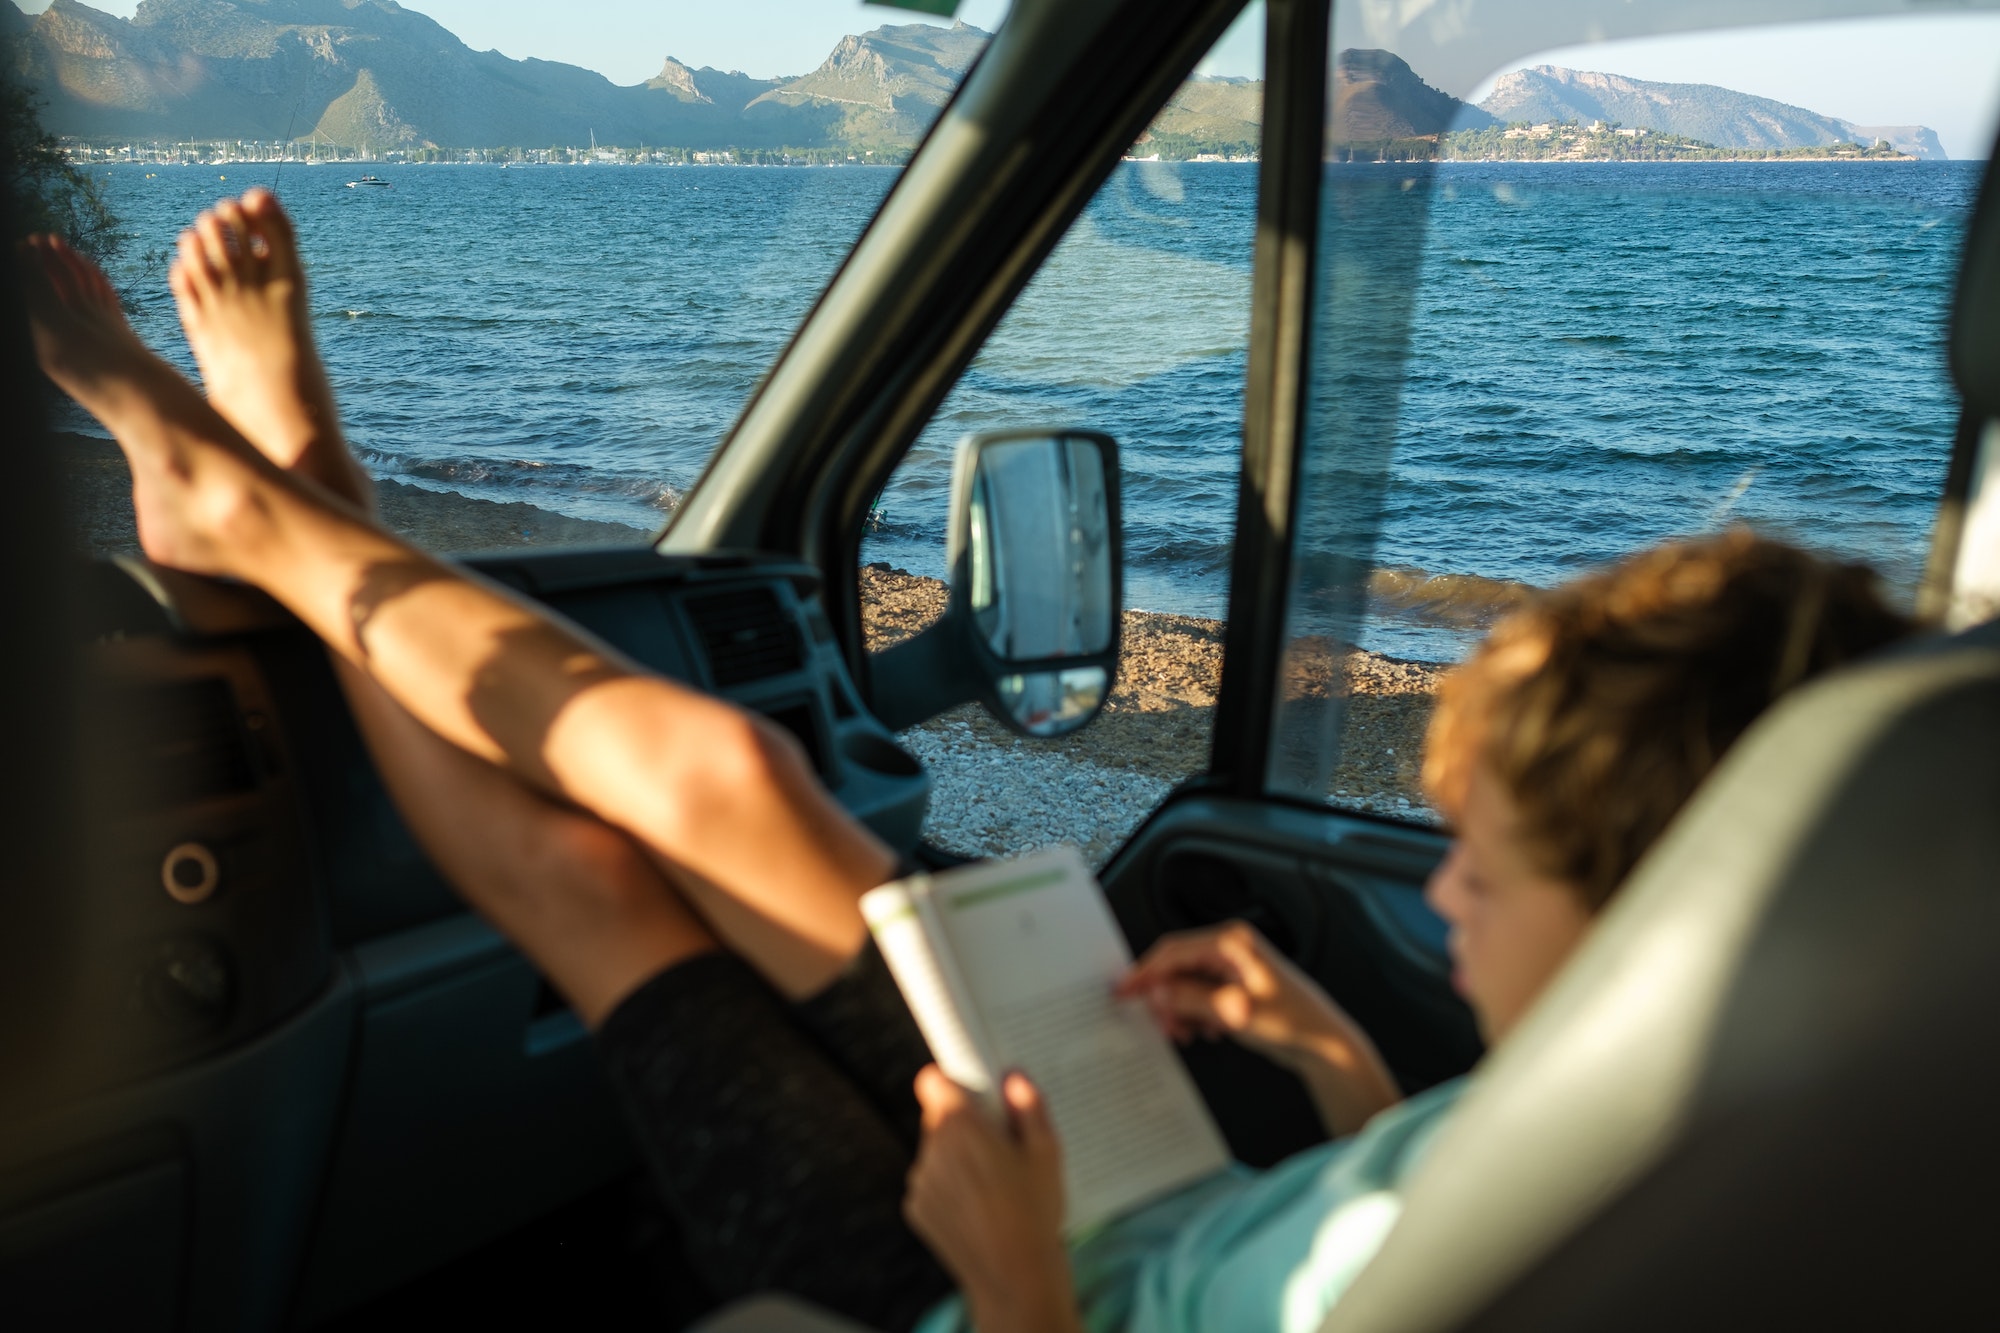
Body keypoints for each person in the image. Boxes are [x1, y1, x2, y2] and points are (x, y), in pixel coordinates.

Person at [19, 195, 1912, 1333]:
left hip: (1010, 1294)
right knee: (734, 783)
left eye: (1484, 862)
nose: (1440, 887)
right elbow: (1440, 1224)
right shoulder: (1662, 1118)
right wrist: (1344, 1068)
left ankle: (272, 501)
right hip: (1141, 1206)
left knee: (587, 888)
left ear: (1666, 916)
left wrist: (1012, 1286)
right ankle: (294, 498)